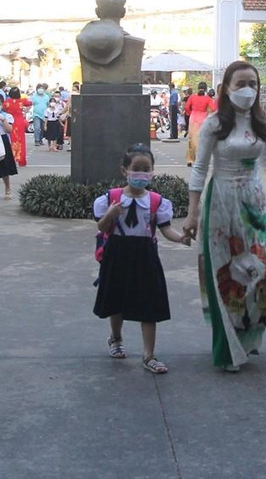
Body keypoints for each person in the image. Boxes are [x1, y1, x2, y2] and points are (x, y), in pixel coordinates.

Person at [182, 61, 266, 372]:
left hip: (255, 205)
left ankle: (249, 336)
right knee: (229, 275)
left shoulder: (259, 123)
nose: (247, 89)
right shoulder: (213, 125)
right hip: (222, 202)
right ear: (226, 88)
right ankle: (229, 348)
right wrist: (192, 213)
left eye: (253, 83)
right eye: (240, 84)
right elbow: (199, 170)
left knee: (264, 275)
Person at [93, 144, 191, 374]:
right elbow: (102, 227)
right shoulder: (111, 198)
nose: (141, 174)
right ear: (124, 170)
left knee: (149, 302)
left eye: (146, 169)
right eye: (136, 169)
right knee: (115, 297)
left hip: (145, 255)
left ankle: (149, 355)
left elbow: (166, 230)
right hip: (117, 252)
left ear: (152, 171)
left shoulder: (157, 202)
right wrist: (110, 214)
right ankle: (116, 339)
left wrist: (182, 238)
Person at [184, 82, 215, 167]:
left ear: (198, 88)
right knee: (201, 140)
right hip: (203, 119)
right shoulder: (208, 98)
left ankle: (190, 159)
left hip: (193, 118)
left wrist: (190, 113)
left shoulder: (192, 97)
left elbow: (186, 107)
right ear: (205, 89)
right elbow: (213, 109)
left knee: (191, 139)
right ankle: (199, 158)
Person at [3, 87, 32, 166]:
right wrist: (25, 112)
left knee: (10, 139)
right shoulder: (22, 101)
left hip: (10, 121)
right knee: (20, 140)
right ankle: (21, 159)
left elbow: (4, 109)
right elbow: (30, 104)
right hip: (19, 121)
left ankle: (11, 158)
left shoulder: (7, 102)